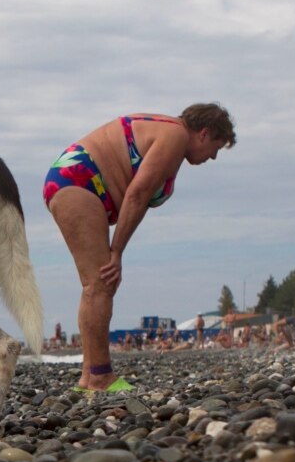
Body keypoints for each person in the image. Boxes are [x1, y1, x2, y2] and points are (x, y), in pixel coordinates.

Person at [46, 103, 236, 392]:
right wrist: (117, 252)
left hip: (74, 179)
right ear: (203, 133)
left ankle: (89, 376)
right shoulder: (175, 136)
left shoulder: (169, 131)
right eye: (215, 147)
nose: (212, 157)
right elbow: (137, 194)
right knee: (100, 282)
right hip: (78, 181)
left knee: (96, 284)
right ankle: (99, 376)